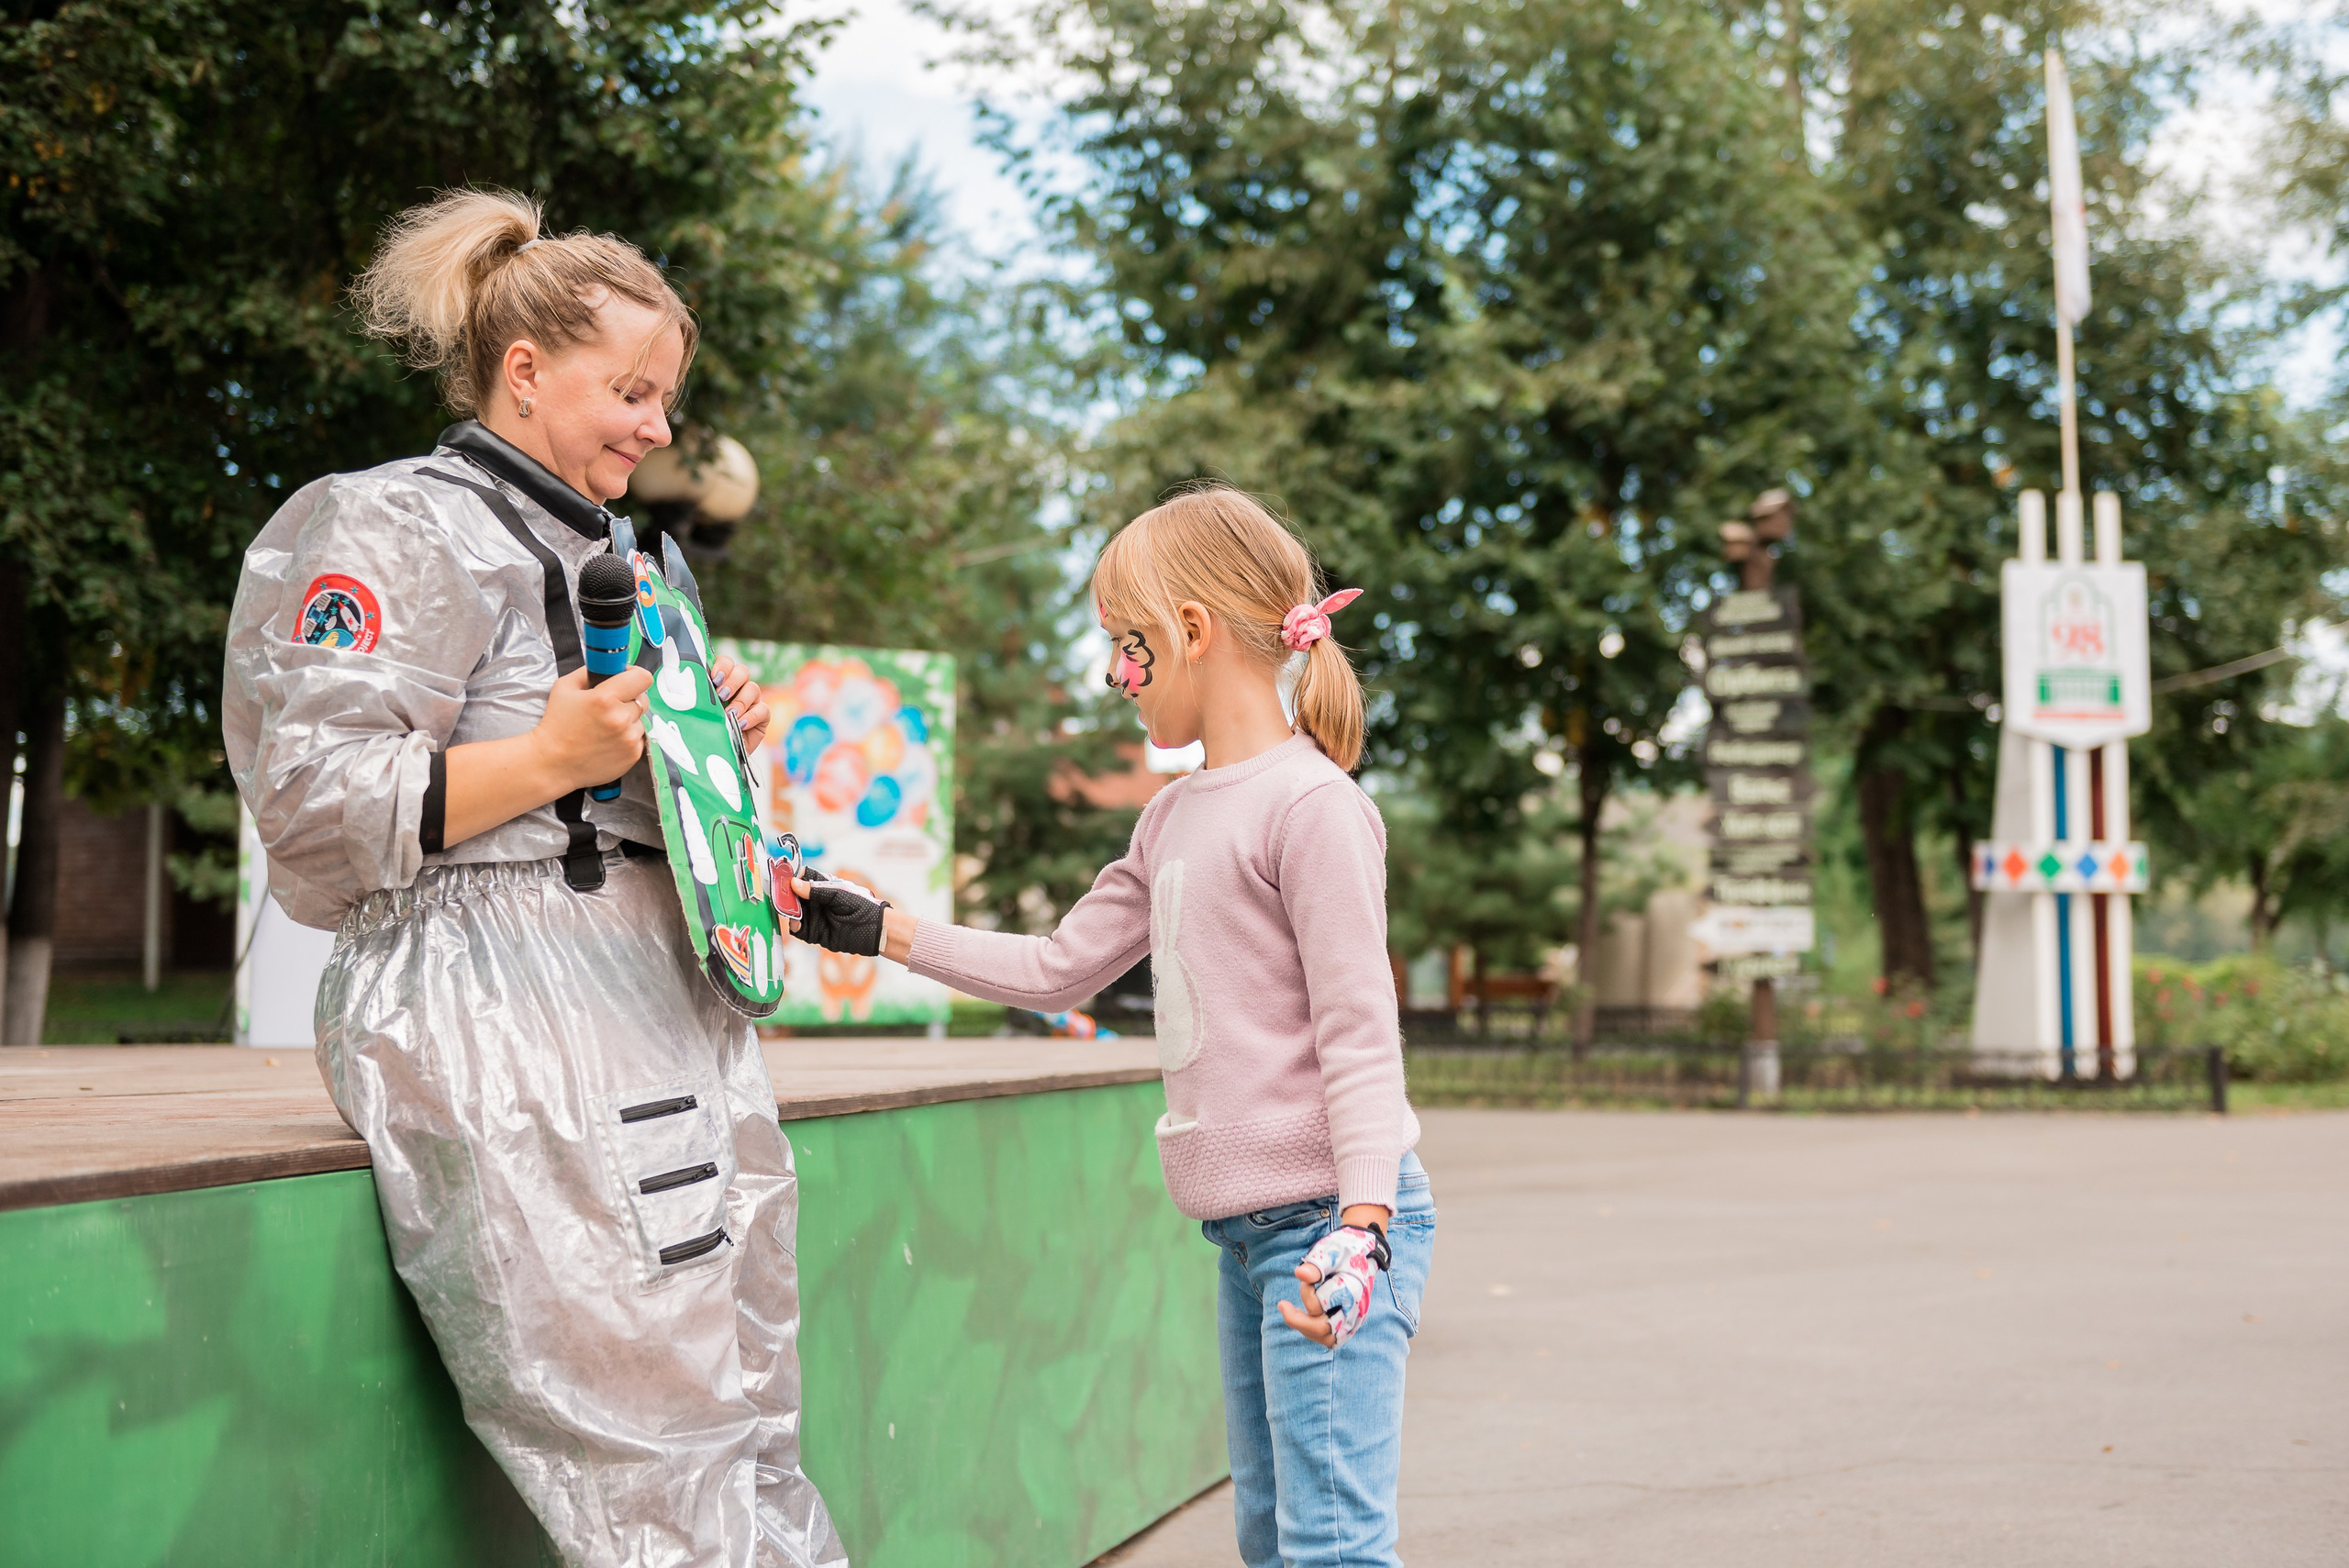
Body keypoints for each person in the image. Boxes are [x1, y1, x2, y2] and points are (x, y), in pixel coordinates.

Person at [222, 188, 846, 1568]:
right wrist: (550, 755)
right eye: (630, 390)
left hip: (666, 993)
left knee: (746, 1412)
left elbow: (654, 803)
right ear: (524, 370)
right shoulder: (394, 526)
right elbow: (314, 812)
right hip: (505, 1000)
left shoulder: (632, 562)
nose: (659, 427)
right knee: (650, 1442)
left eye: (664, 397)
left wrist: (703, 743)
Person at [792, 487, 1436, 1568]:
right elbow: (1059, 970)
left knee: (1333, 1548)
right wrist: (881, 930)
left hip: (1331, 1227)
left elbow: (1360, 1035)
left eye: (1125, 647)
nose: (1113, 675)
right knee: (1275, 1537)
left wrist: (1361, 1226)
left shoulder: (1312, 806)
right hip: (1248, 1235)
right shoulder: (1173, 814)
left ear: (1189, 632)